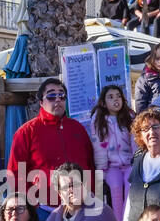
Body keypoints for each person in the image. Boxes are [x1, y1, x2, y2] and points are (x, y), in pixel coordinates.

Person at [6, 77, 95, 212]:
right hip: (44, 209)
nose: (58, 99)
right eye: (52, 96)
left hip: (81, 207)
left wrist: (91, 194)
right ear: (41, 102)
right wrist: (30, 206)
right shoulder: (26, 132)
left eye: (62, 95)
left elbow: (90, 166)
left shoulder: (78, 129)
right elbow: (15, 173)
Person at [87, 84, 136, 221]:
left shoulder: (130, 117)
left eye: (118, 96)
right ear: (103, 102)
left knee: (130, 185)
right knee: (115, 188)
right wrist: (101, 169)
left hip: (128, 164)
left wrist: (136, 161)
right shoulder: (98, 120)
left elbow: (135, 142)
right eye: (111, 97)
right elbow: (98, 146)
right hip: (111, 166)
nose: (116, 100)